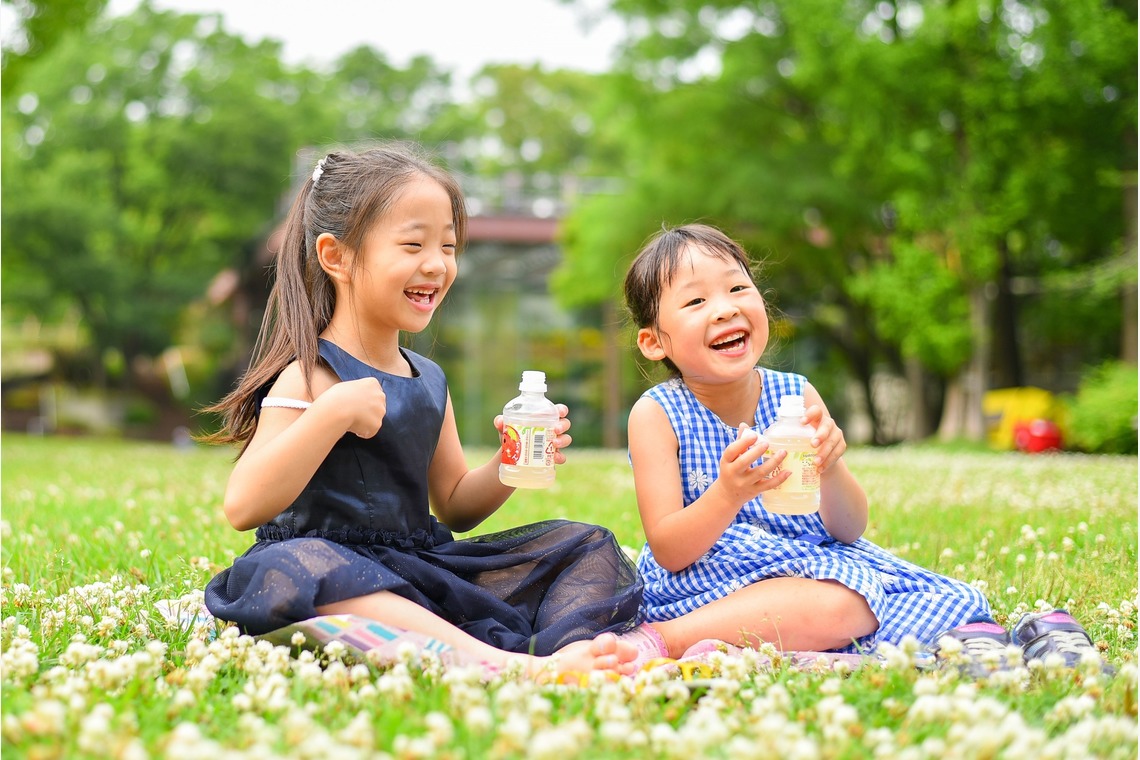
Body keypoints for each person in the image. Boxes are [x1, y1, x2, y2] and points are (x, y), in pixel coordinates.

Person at [201, 143, 642, 679]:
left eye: (448, 247)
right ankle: (506, 664)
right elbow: (243, 506)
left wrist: (510, 462)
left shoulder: (428, 378)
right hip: (322, 572)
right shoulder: (311, 374)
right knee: (298, 567)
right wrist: (330, 413)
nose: (436, 264)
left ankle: (557, 651)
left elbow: (454, 505)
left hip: (416, 570)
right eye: (413, 245)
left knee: (583, 544)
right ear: (336, 256)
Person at [617, 222, 1107, 675]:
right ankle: (665, 640)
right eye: (696, 301)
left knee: (948, 602)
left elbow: (848, 529)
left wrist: (831, 469)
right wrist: (727, 494)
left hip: (814, 564)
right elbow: (670, 550)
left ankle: (1002, 639)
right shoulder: (658, 414)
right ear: (654, 342)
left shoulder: (795, 395)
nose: (725, 308)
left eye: (737, 288)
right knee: (844, 604)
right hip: (710, 583)